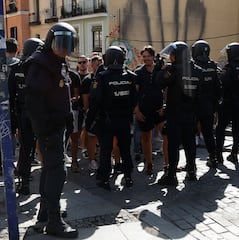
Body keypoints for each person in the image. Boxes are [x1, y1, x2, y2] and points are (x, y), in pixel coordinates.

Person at [23, 22, 78, 238]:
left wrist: (67, 117)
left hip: (57, 125)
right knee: (57, 171)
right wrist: (48, 127)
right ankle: (54, 222)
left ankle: (45, 213)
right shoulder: (40, 63)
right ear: (50, 41)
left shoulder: (56, 61)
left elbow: (60, 93)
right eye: (61, 42)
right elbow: (34, 101)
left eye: (68, 43)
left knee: (49, 169)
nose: (65, 48)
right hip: (49, 127)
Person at [86, 46, 137, 190]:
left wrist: (89, 122)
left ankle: (104, 179)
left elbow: (94, 101)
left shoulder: (102, 77)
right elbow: (134, 99)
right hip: (124, 120)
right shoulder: (130, 76)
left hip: (106, 120)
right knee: (125, 149)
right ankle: (128, 176)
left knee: (106, 150)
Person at [154, 41, 200, 185]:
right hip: (191, 113)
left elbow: (158, 83)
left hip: (175, 113)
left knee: (173, 145)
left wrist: (159, 69)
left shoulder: (173, 70)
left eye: (172, 55)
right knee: (189, 143)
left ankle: (171, 175)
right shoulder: (197, 69)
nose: (171, 57)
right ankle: (192, 170)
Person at [8, 38, 44, 195]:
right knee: (43, 148)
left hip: (24, 114)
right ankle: (44, 187)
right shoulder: (42, 68)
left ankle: (24, 183)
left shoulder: (16, 69)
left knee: (25, 149)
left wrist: (13, 121)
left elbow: (9, 96)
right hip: (39, 115)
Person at [215, 42, 239, 164]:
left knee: (220, 128)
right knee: (236, 129)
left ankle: (218, 154)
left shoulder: (229, 68)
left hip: (227, 102)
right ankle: (234, 153)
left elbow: (223, 84)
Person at [134, 45, 165, 175]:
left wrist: (165, 106)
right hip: (144, 109)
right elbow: (134, 94)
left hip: (159, 109)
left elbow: (166, 89)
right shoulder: (138, 72)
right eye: (144, 56)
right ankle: (149, 163)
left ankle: (167, 164)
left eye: (148, 56)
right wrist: (137, 111)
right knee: (146, 137)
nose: (146, 59)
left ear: (153, 57)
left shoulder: (160, 71)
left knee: (165, 135)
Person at [191, 40, 220, 168]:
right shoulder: (213, 66)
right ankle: (213, 157)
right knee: (208, 133)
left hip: (193, 106)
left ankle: (190, 163)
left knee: (190, 134)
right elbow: (218, 88)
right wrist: (214, 108)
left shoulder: (192, 66)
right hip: (208, 106)